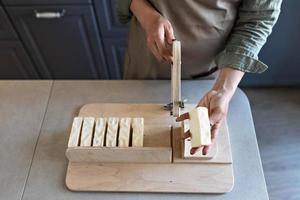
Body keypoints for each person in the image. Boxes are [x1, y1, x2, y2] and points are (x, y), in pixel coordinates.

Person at [117, 0, 282, 155]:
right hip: (146, 57)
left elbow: (257, 19)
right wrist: (148, 16)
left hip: (207, 70)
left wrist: (222, 90)